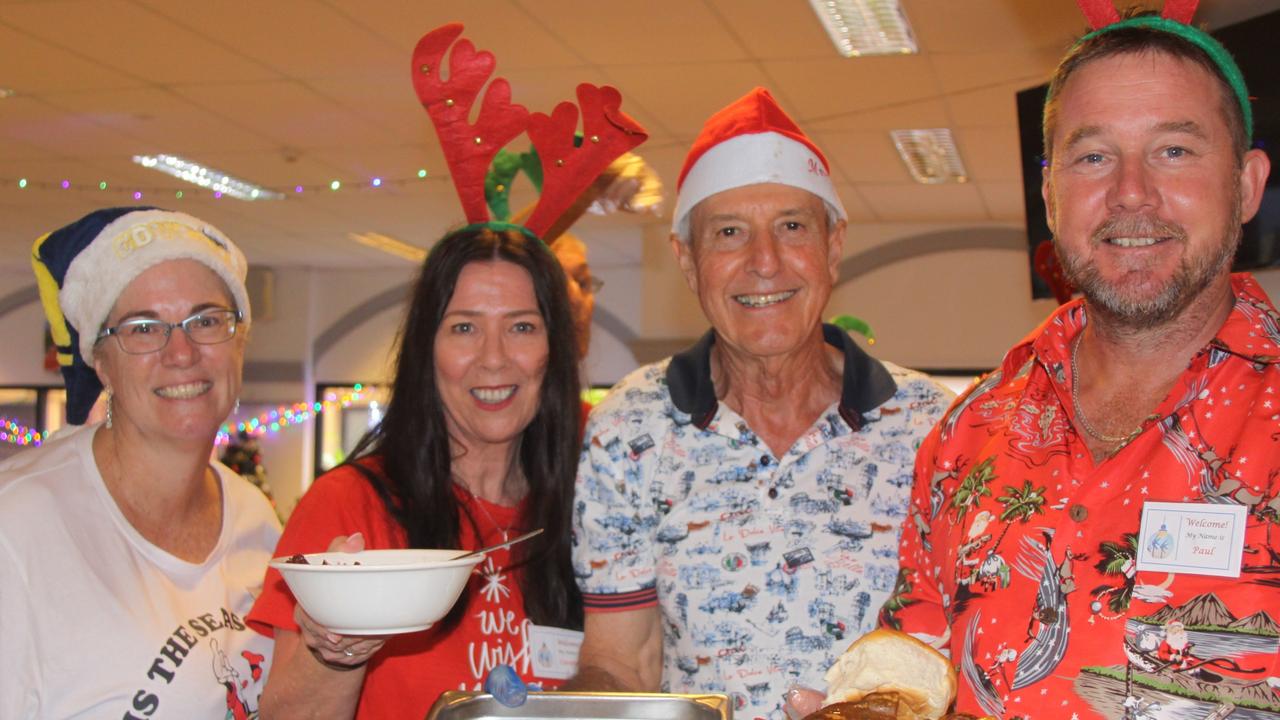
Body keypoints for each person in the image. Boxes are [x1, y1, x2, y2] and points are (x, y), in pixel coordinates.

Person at [884, 6, 1278, 718]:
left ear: (1247, 186)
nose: (1131, 192)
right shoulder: (965, 435)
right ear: (1049, 195)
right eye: (1093, 156)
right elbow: (911, 675)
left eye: (1175, 151)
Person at [567, 87, 953, 719]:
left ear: (833, 247)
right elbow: (620, 660)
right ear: (688, 262)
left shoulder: (929, 424)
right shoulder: (630, 425)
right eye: (728, 233)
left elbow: (962, 645)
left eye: (792, 227)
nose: (765, 262)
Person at [247, 226, 584, 718]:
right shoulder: (350, 504)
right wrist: (336, 651)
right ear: (426, 349)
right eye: (464, 328)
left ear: (554, 350)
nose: (493, 359)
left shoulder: (589, 507)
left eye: (522, 327)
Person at [0, 207, 279, 717]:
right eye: (143, 328)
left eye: (207, 320)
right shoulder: (16, 529)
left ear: (239, 340)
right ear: (100, 362)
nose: (181, 352)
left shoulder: (253, 514)